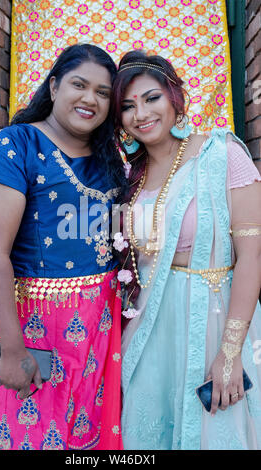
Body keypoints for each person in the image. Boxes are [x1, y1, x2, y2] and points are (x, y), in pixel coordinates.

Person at [0, 44, 125, 451]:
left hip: (102, 327)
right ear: (54, 86)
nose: (90, 99)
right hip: (37, 327)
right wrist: (12, 350)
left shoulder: (111, 157)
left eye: (104, 93)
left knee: (89, 437)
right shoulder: (14, 147)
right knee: (29, 434)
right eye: (79, 84)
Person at [112, 50, 261, 450]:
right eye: (127, 106)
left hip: (214, 318)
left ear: (174, 97)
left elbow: (252, 256)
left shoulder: (222, 154)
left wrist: (229, 353)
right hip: (151, 327)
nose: (140, 113)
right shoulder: (130, 175)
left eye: (151, 97)